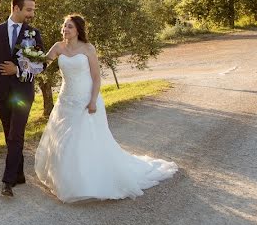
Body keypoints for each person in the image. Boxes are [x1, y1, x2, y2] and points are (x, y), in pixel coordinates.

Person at [34, 14, 178, 202]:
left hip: (86, 100)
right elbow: (42, 64)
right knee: (64, 140)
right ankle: (66, 180)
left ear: (78, 29)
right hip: (65, 100)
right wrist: (25, 59)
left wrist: (93, 100)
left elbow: (96, 77)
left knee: (86, 139)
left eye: (69, 26)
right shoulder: (58, 47)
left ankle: (89, 181)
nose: (65, 29)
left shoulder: (88, 48)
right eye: (64, 26)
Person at [0, 0, 44, 197]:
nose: (31, 14)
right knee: (10, 135)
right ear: (16, 8)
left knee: (16, 134)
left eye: (32, 10)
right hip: (2, 92)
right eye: (29, 9)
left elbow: (40, 64)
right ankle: (19, 174)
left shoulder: (33, 34)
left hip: (23, 92)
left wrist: (17, 70)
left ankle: (7, 182)